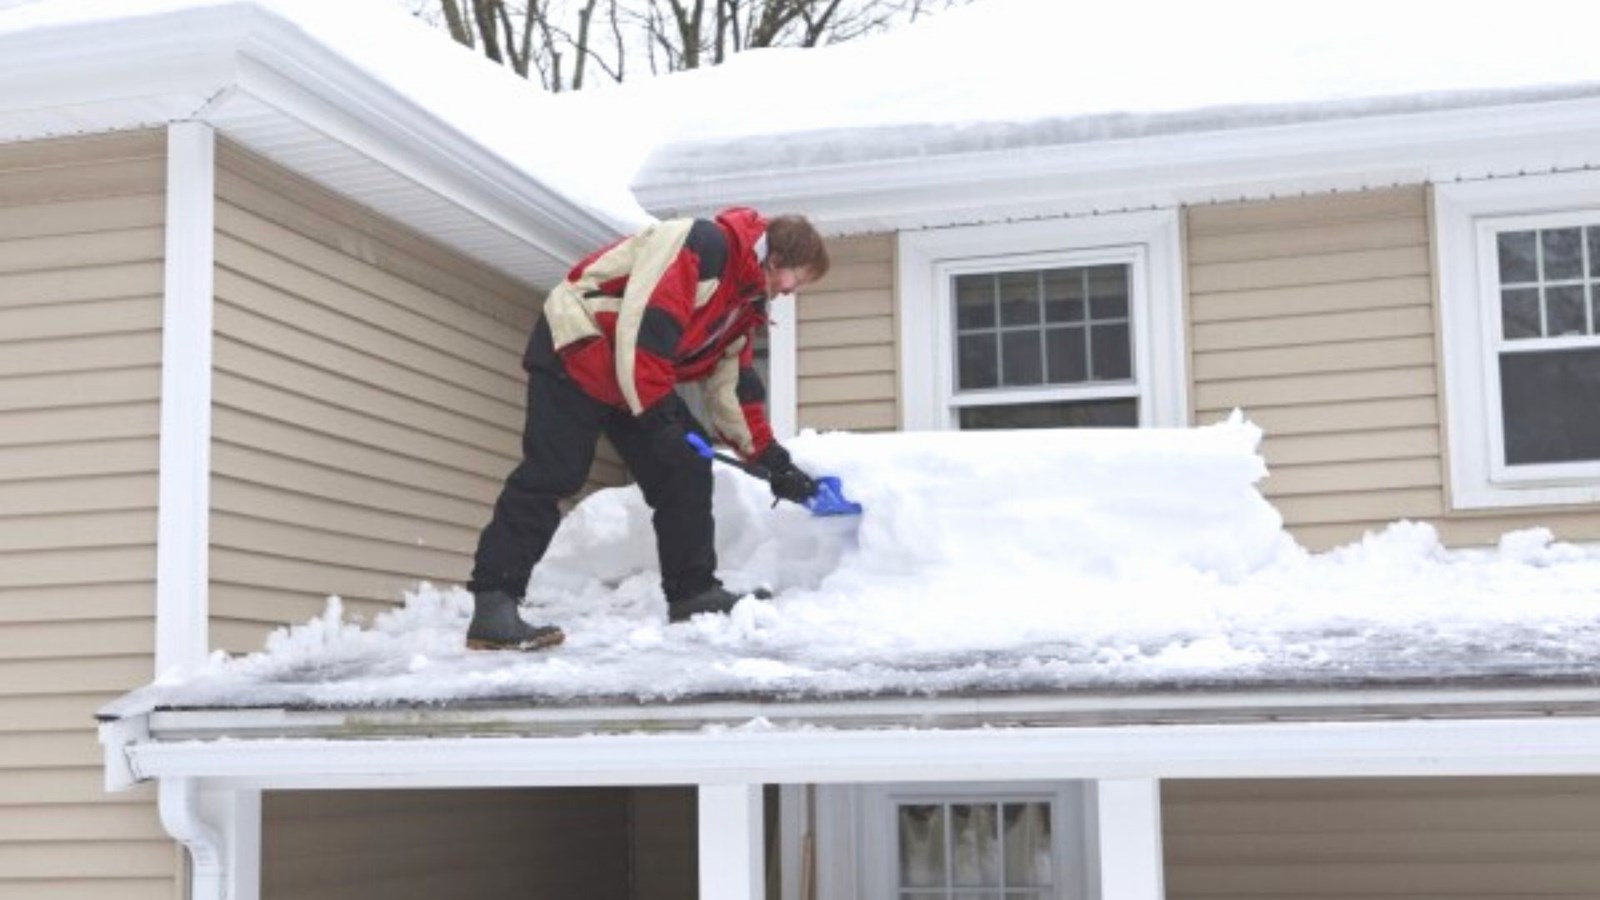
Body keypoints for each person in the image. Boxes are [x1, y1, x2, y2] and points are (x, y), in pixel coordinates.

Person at [464, 208, 831, 650]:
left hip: (628, 376)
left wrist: (774, 463)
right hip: (579, 348)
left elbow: (733, 390)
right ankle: (494, 604)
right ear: (776, 261)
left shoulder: (743, 303)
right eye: (798, 279)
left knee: (686, 467)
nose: (793, 293)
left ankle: (693, 593)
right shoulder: (704, 244)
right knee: (553, 473)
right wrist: (658, 417)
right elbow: (646, 327)